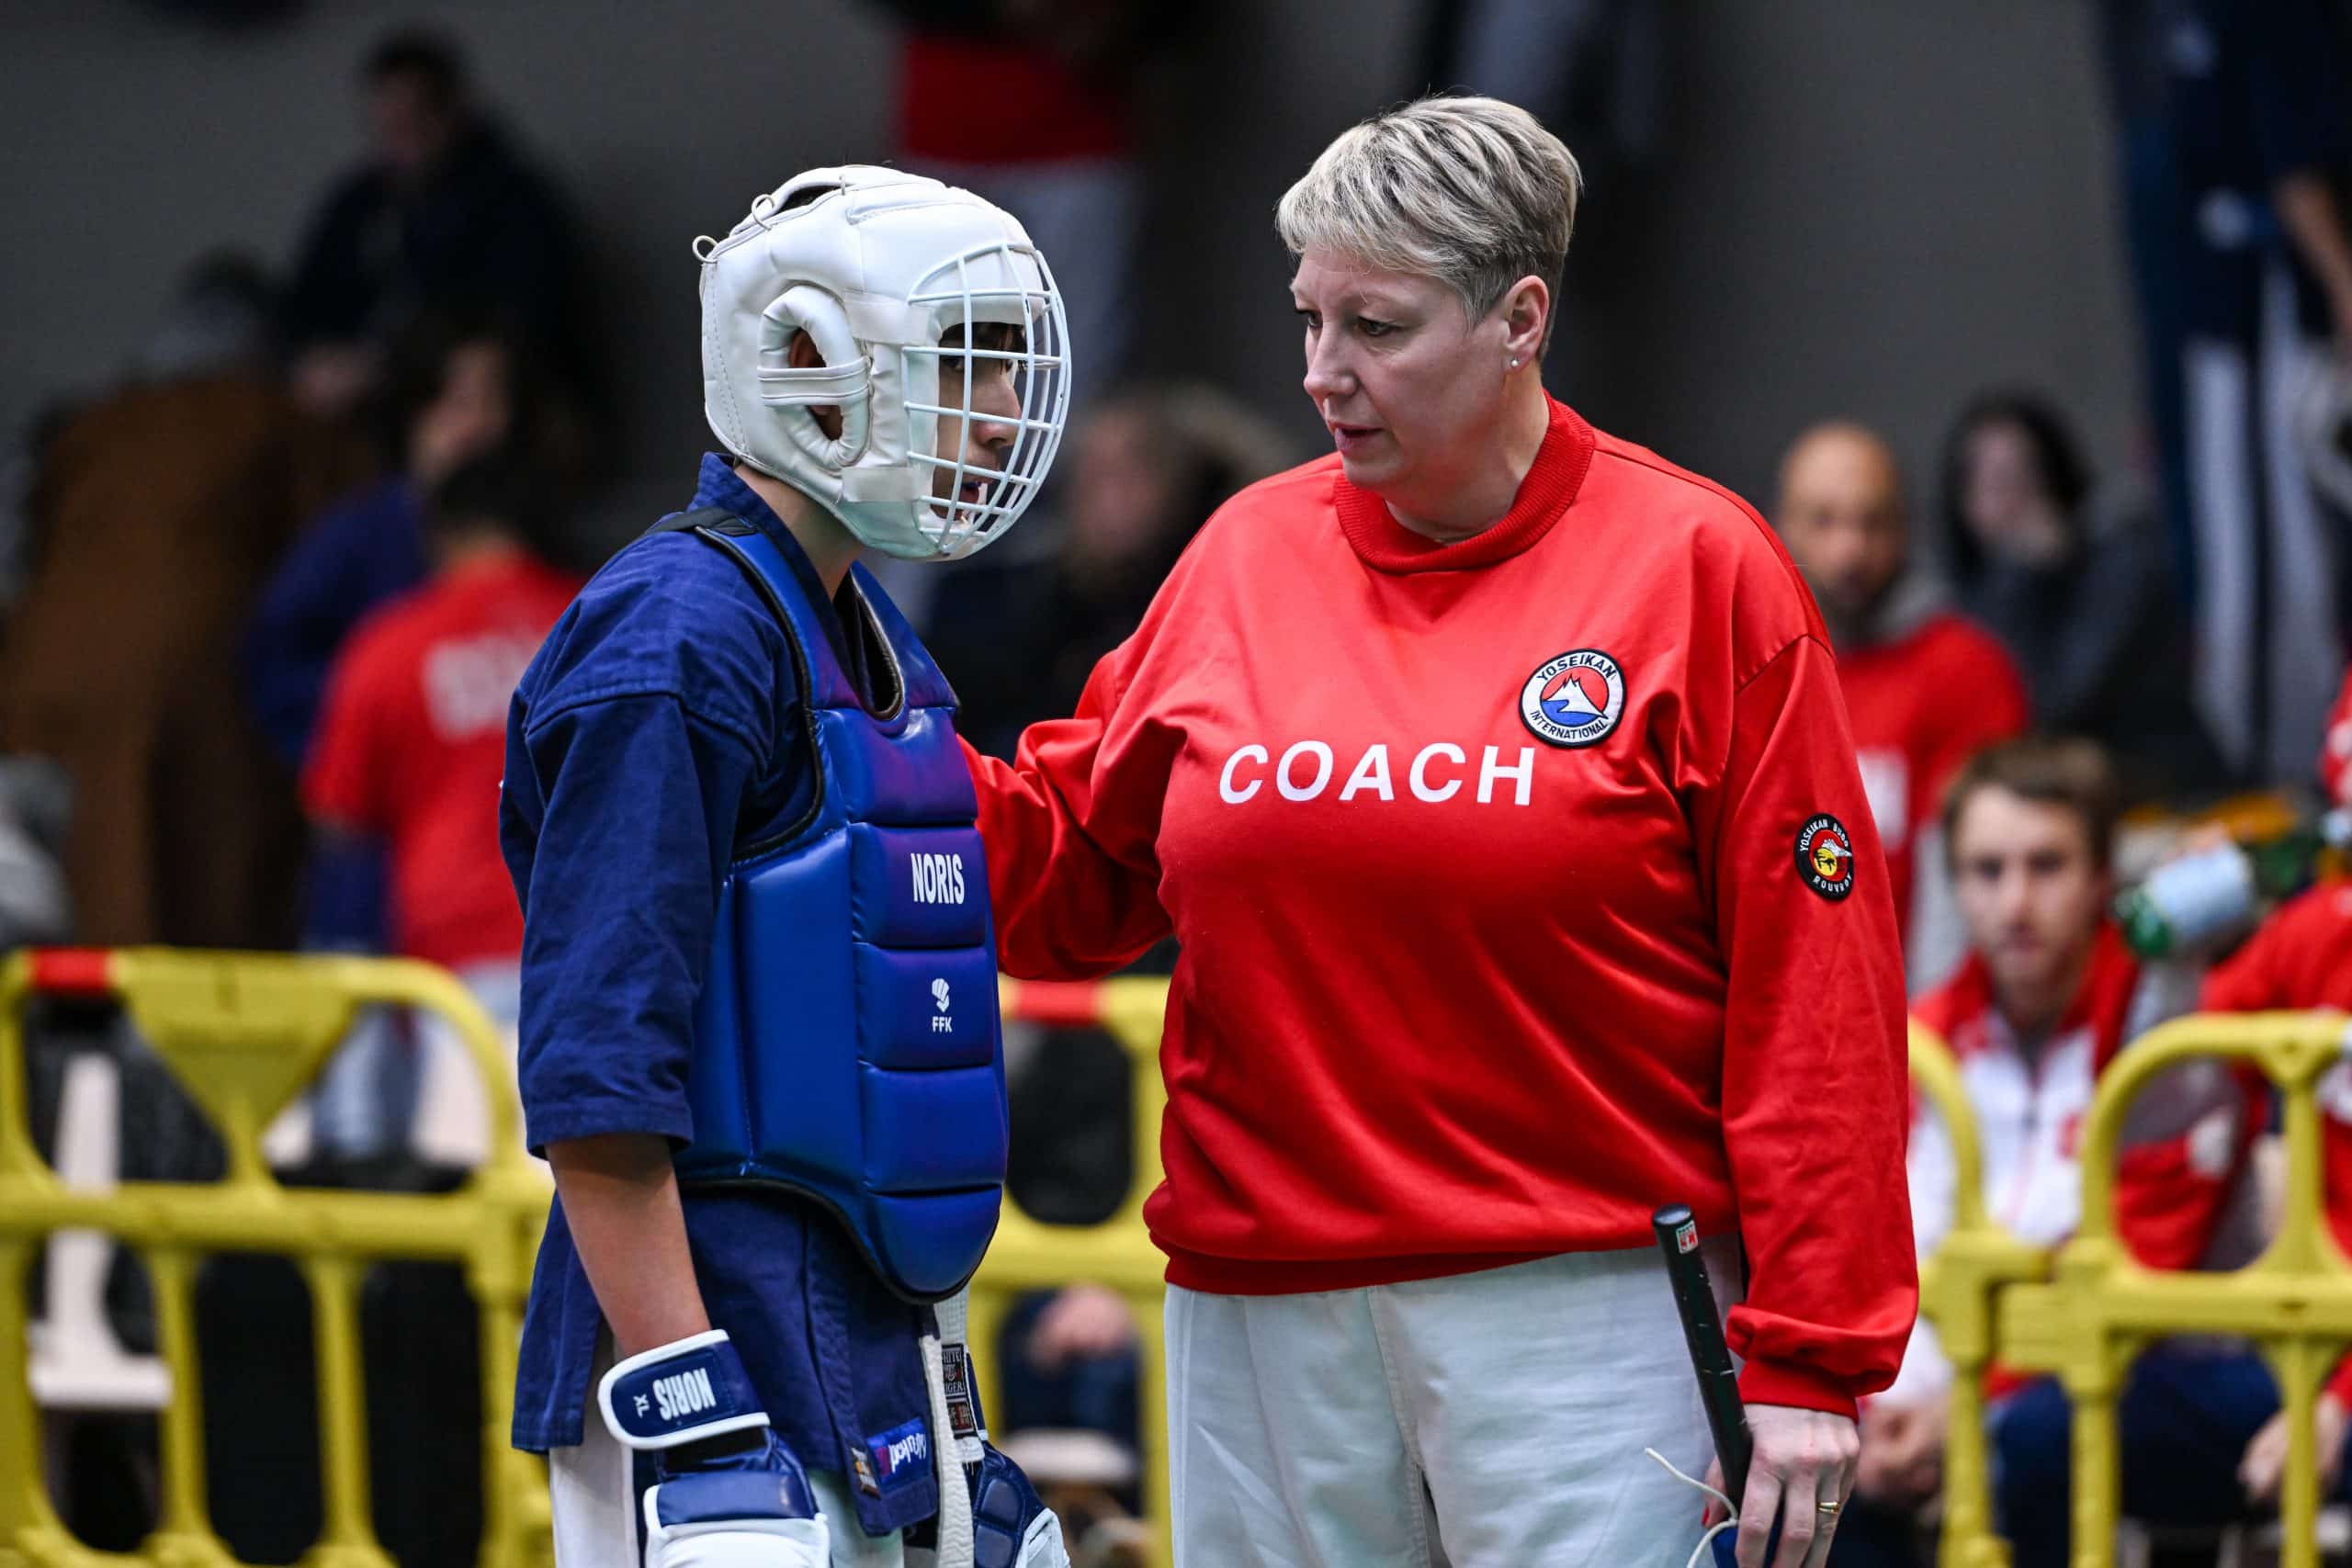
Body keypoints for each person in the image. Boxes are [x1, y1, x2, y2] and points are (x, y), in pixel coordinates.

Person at [962, 96, 1915, 1568]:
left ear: (1521, 319)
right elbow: (1067, 872)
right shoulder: (1242, 553)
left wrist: (1812, 1349)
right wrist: (844, 715)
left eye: (1377, 327)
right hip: (1260, 1305)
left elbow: (1819, 991)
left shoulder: (1700, 567)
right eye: (1309, 317)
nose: (1320, 370)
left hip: (1588, 1312)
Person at [501, 166, 1071, 1568]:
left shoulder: (861, 628)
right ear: (809, 364)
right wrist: (695, 1414)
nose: (1003, 411)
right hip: (716, 1347)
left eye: (1012, 365)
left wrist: (952, 1435)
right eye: (967, 361)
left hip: (862, 1357)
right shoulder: (676, 636)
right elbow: (597, 1074)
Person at [1835, 739, 2263, 1567]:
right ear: (1955, 883)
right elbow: (1894, 1258)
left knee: (2036, 1435)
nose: (2016, 901)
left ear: (2103, 878)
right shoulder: (1920, 1040)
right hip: (1958, 1397)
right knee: (1809, 1458)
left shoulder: (2166, 1027)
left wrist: (1965, 1407)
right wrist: (1885, 1411)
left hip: (2151, 1383)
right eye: (1987, 870)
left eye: (2047, 865)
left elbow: (2145, 1263)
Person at [2095, 0, 2352, 784]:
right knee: (2271, 561)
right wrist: (2341, 282)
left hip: (2261, 310)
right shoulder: (2255, 25)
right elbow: (2294, 168)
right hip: (2255, 313)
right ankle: (2283, 772)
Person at [300, 451, 580, 1160]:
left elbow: (337, 816)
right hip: (591, 955)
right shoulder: (594, 624)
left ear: (439, 534)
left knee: (471, 1196)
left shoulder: (391, 645)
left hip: (454, 978)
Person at [1775, 421, 2030, 993]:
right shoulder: (1747, 665)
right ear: (1782, 524)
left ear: (1905, 529)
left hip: (1911, 1010)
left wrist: (1924, 1030)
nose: (1850, 549)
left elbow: (1968, 872)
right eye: (1824, 521)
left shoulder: (1966, 669)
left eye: (1872, 523)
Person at [923, 381, 1295, 759]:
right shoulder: (988, 601)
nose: (1108, 494)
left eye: (1135, 471)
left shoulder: (1204, 616)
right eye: (1094, 470)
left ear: (1184, 488)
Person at [281, 28, 593, 419]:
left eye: (413, 121)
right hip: (369, 409)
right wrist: (315, 358)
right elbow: (305, 302)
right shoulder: (358, 203)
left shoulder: (514, 199)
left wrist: (384, 368)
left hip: (479, 405)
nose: (399, 140)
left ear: (451, 112)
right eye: (386, 125)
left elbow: (517, 321)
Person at [248, 320, 519, 769]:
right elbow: (275, 663)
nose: (474, 426)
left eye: (492, 401)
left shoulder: (540, 538)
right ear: (413, 412)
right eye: (452, 402)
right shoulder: (354, 537)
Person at [1936, 391, 2225, 802]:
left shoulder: (2122, 563)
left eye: (2025, 479)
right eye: (1991, 485)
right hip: (2065, 807)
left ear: (2059, 482)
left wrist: (2025, 573)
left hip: (2166, 799)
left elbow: (2053, 702)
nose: (2011, 503)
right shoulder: (1970, 598)